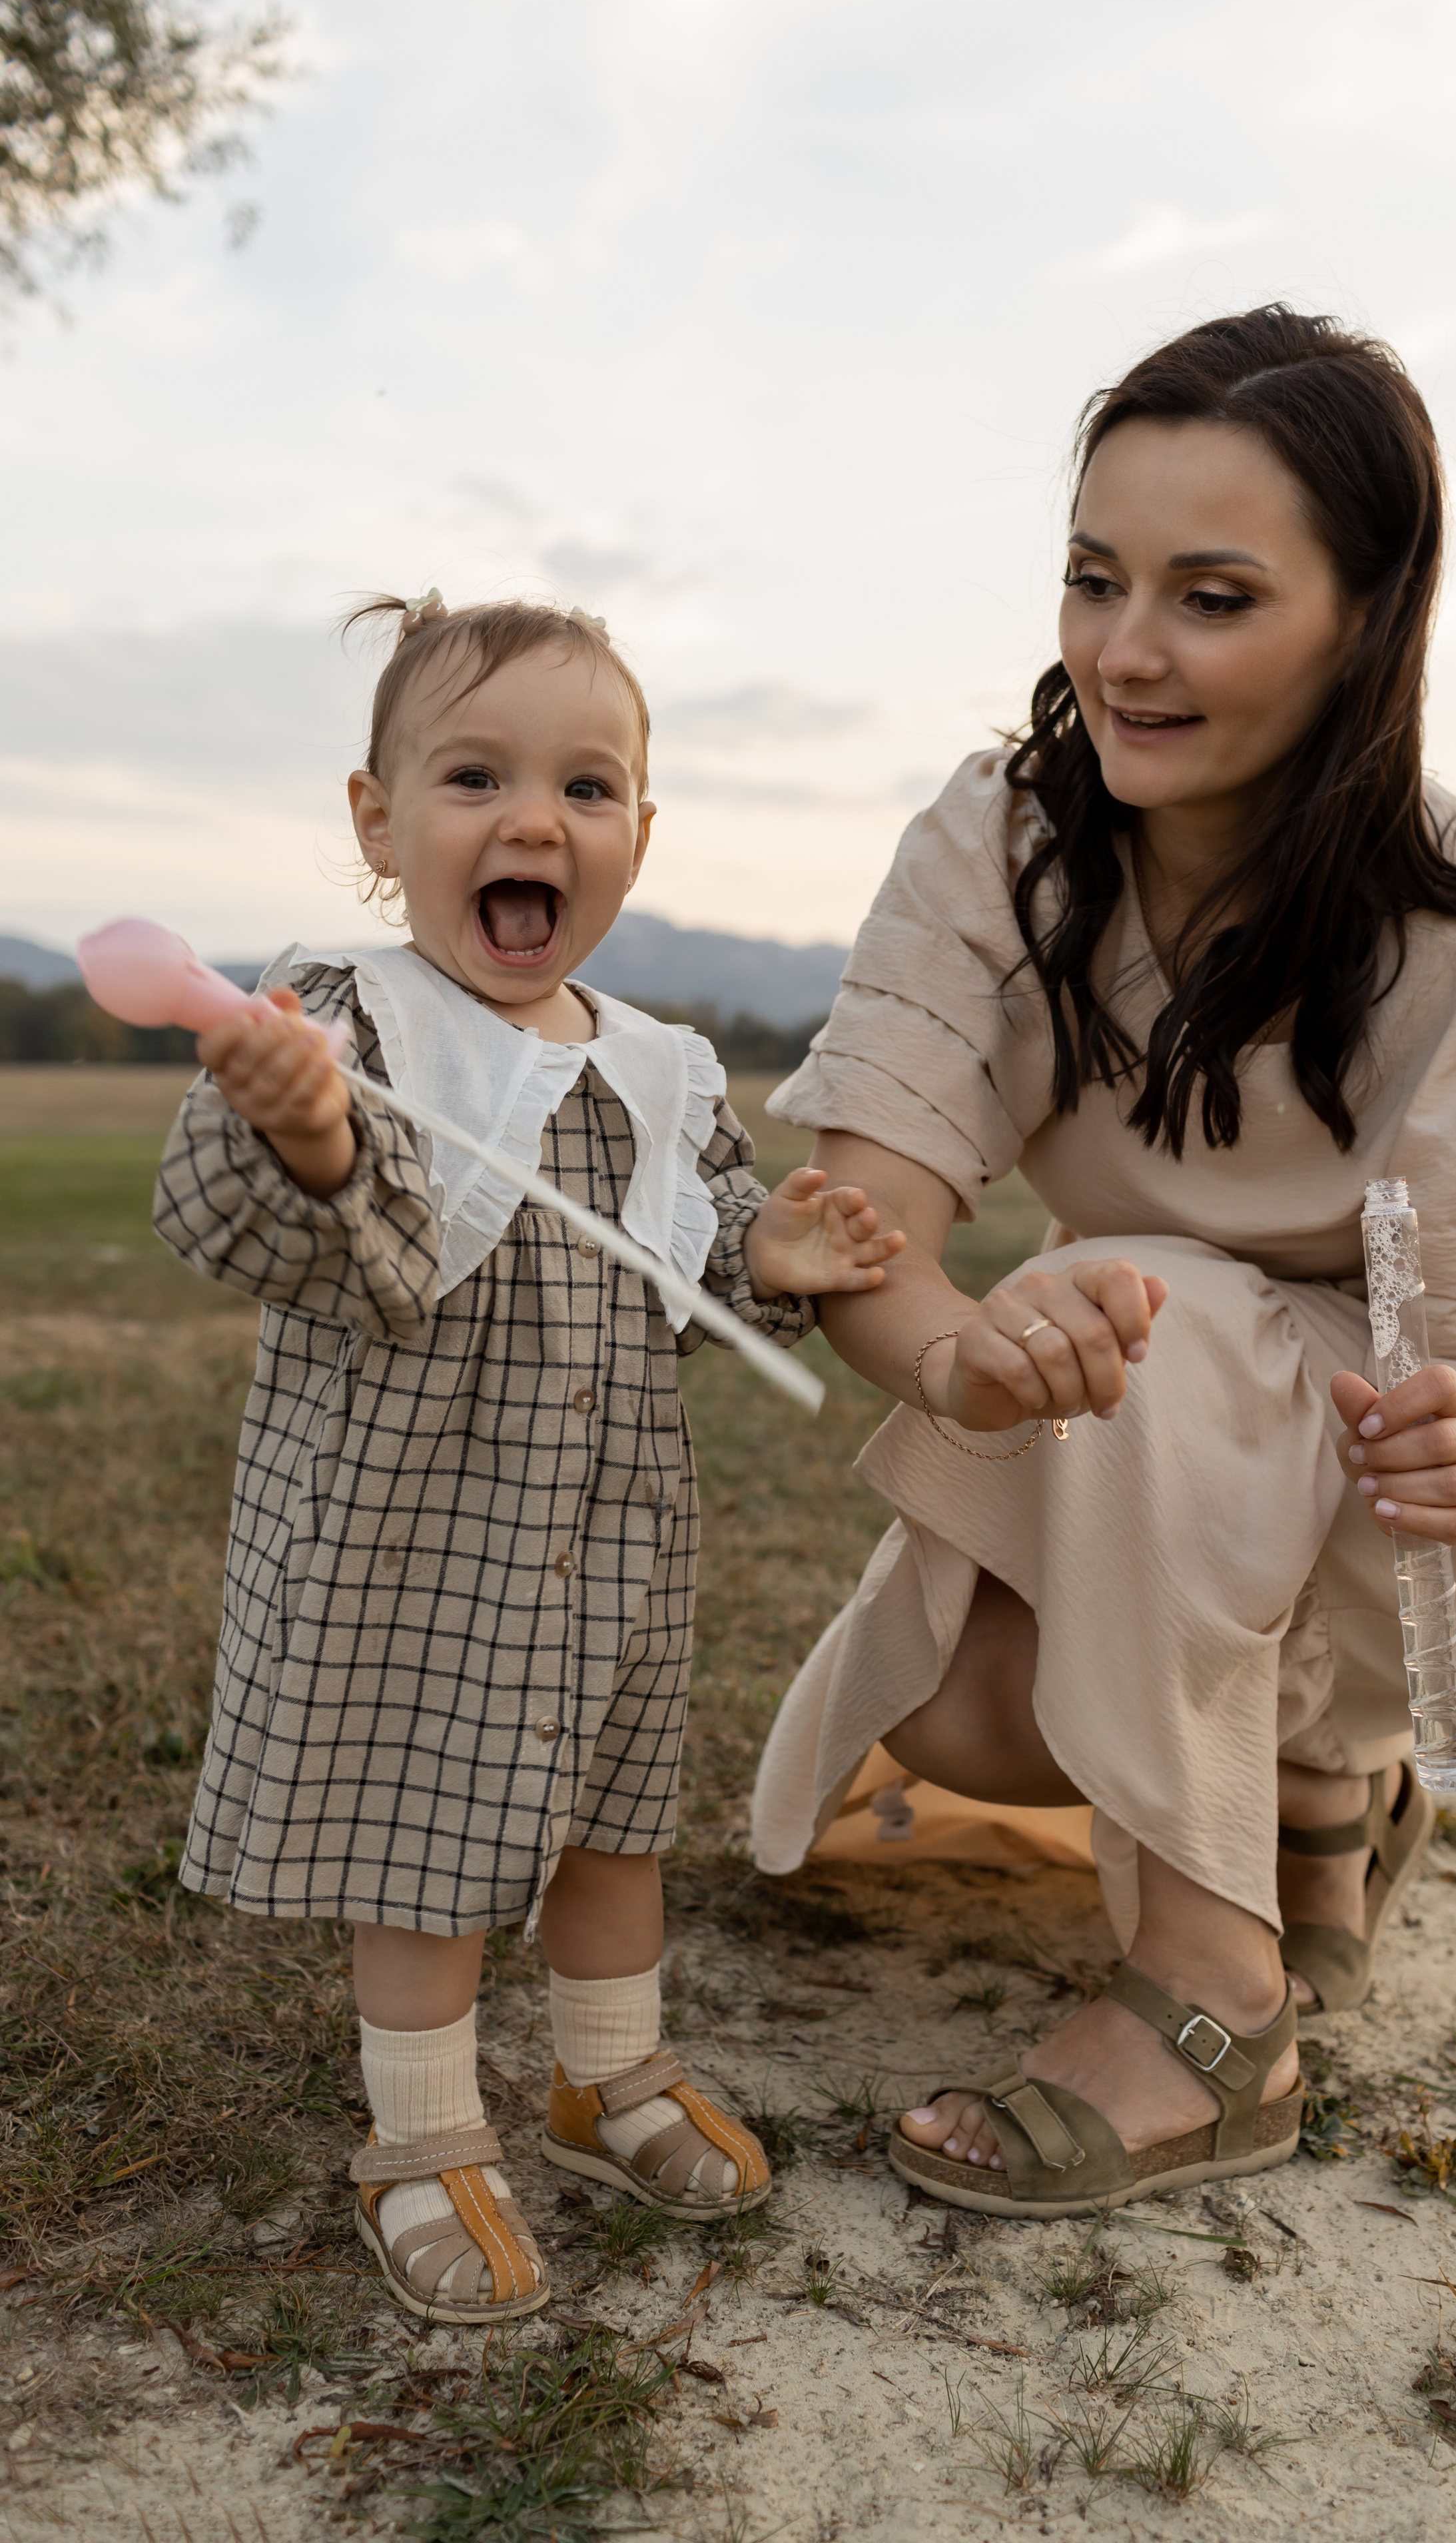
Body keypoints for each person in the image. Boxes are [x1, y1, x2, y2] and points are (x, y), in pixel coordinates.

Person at [749, 306, 1456, 2219]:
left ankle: (1213, 2006)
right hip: (1169, 1431)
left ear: (1367, 618)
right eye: (1097, 579)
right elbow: (870, 1237)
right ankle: (1316, 1801)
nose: (1125, 650)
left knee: (1149, 1295)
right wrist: (958, 1362)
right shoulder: (1002, 848)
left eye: (1213, 594)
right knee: (963, 1711)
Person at [153, 593, 903, 2321]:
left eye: (587, 786)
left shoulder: (654, 1066)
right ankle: (420, 2136)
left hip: (613, 1535)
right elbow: (239, 1226)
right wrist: (310, 1130)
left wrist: (762, 1256)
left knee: (607, 1818)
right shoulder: (347, 1021)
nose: (532, 822)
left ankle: (602, 2074)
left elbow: (692, 1256)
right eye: (474, 775)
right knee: (424, 1832)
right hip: (415, 1533)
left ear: (641, 832)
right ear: (377, 820)